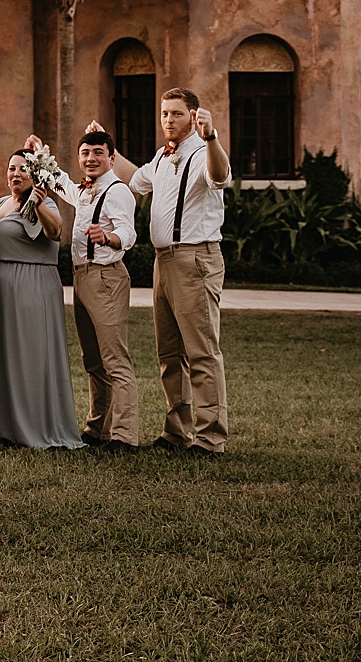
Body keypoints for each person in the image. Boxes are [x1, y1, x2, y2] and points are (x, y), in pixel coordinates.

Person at [107, 89, 232, 457]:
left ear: (193, 116)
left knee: (202, 352)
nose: (168, 120)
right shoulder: (163, 157)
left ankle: (210, 438)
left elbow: (221, 176)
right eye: (164, 114)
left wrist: (211, 138)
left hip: (196, 260)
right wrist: (109, 152)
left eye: (176, 114)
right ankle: (177, 430)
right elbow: (134, 180)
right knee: (169, 352)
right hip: (164, 261)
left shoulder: (203, 151)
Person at [0, 144, 81, 450]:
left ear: (36, 174)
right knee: (2, 356)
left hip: (31, 285)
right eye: (12, 168)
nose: (16, 173)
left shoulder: (46, 204)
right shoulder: (0, 203)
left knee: (30, 356)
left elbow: (55, 233)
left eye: (23, 168)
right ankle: (4, 427)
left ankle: (37, 426)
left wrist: (38, 204)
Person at [53, 128, 140, 454]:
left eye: (98, 153)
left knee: (114, 358)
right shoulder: (85, 190)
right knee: (93, 359)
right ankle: (98, 427)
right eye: (85, 154)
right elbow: (61, 183)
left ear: (111, 157)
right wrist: (37, 156)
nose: (91, 159)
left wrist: (109, 238)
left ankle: (124, 435)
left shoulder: (117, 191)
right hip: (83, 277)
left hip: (106, 277)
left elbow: (127, 232)